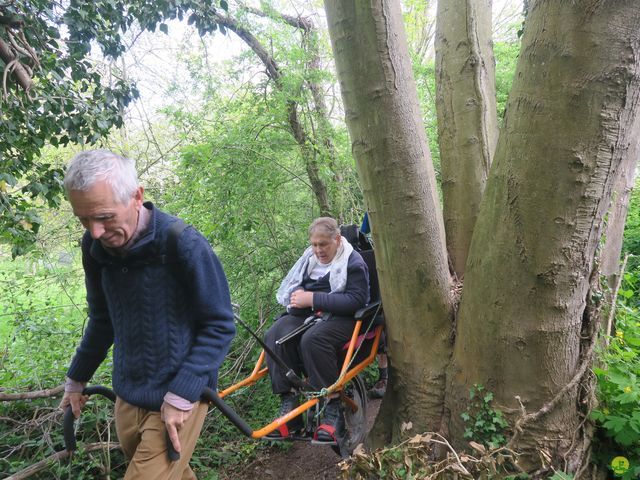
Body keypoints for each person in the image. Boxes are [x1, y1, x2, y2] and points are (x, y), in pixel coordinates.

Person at [58, 150, 236, 479]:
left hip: (180, 396)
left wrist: (183, 393)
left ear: (136, 197)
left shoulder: (182, 243)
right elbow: (102, 318)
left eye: (105, 217)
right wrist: (76, 379)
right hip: (129, 396)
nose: (95, 231)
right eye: (84, 219)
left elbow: (219, 325)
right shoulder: (94, 248)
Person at [264, 217, 369, 442]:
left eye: (324, 244)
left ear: (337, 240)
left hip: (343, 317)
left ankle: (333, 412)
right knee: (274, 336)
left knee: (313, 340)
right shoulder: (308, 260)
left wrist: (312, 298)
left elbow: (357, 300)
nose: (318, 250)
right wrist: (297, 296)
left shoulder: (352, 261)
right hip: (308, 313)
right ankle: (289, 412)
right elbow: (298, 286)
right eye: (314, 244)